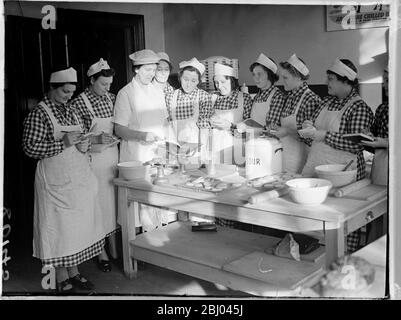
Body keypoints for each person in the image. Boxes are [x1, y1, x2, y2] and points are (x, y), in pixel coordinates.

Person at [22, 67, 104, 293]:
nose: (68, 96)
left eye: (71, 92)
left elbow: (80, 138)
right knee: (58, 229)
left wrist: (83, 143)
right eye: (64, 92)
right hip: (55, 181)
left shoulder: (72, 110)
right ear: (52, 88)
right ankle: (60, 276)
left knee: (74, 229)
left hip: (76, 178)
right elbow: (30, 148)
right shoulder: (40, 113)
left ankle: (74, 272)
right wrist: (64, 143)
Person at [300, 58, 374, 253]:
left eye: (331, 79)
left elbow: (355, 144)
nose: (327, 83)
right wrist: (309, 126)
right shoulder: (326, 101)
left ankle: (343, 264)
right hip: (316, 166)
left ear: (346, 81)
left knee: (340, 224)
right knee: (312, 220)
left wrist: (322, 134)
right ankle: (312, 266)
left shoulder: (359, 108)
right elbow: (313, 125)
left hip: (342, 175)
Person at [114, 49, 175, 232]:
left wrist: (170, 146)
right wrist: (142, 135)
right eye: (148, 70)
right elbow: (119, 129)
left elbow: (164, 122)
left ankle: (159, 246)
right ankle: (140, 251)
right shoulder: (126, 93)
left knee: (159, 204)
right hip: (136, 156)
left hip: (157, 155)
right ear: (136, 69)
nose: (152, 74)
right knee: (139, 208)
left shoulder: (156, 91)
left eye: (153, 69)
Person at [69, 58, 119, 273]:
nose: (107, 89)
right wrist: (98, 140)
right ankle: (101, 252)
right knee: (97, 206)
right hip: (92, 161)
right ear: (91, 80)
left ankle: (116, 249)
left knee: (114, 204)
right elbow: (75, 139)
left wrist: (114, 137)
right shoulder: (79, 103)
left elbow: (119, 126)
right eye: (103, 84)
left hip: (113, 158)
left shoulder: (112, 98)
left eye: (109, 84)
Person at [276, 54, 321, 174]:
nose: (282, 81)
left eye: (285, 78)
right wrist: (278, 128)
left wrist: (287, 131)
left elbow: (312, 137)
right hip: (285, 156)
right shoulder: (289, 97)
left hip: (301, 160)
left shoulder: (310, 99)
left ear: (298, 77)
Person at [166, 57, 213, 156]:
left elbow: (204, 128)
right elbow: (167, 124)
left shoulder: (203, 96)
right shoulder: (170, 96)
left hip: (196, 150)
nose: (188, 84)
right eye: (185, 79)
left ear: (198, 81)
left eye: (193, 81)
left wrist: (201, 150)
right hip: (174, 149)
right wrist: (171, 146)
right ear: (180, 78)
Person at [209, 62, 253, 166]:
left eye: (223, 82)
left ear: (232, 80)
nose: (219, 86)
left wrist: (230, 126)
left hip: (236, 149)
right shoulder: (212, 98)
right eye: (216, 82)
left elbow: (250, 129)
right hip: (215, 148)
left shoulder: (244, 98)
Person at [239, 53, 285, 130]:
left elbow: (271, 128)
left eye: (259, 74)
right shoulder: (257, 96)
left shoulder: (277, 97)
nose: (256, 78)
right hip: (254, 139)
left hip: (268, 140)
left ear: (269, 75)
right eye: (254, 74)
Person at [362, 66, 389, 186]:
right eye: (384, 81)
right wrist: (367, 134)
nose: (384, 85)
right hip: (381, 165)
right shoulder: (382, 109)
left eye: (388, 81)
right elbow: (374, 133)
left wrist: (386, 143)